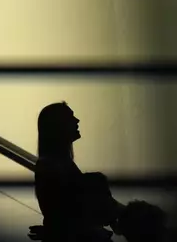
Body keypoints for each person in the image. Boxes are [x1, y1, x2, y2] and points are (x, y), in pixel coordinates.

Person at [33, 102, 124, 241]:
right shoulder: (52, 166)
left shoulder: (56, 164)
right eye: (70, 117)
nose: (77, 120)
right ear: (58, 125)